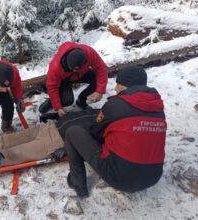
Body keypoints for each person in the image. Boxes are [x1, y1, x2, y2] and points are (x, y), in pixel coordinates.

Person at [65, 65, 167, 197]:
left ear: (126, 85)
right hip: (153, 177)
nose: (115, 88)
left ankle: (77, 182)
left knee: (72, 132)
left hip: (121, 178)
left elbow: (95, 133)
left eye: (118, 83)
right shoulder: (158, 107)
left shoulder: (116, 105)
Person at [0, 109, 99, 171]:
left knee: (11, 154)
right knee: (5, 140)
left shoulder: (115, 128)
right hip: (49, 127)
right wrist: (53, 116)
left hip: (57, 142)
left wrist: (68, 150)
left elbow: (97, 146)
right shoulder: (106, 109)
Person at [39, 41, 108, 116]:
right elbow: (52, 87)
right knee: (67, 100)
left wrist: (99, 91)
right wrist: (58, 107)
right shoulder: (55, 67)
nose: (74, 70)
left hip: (81, 73)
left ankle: (81, 101)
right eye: (72, 68)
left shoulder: (89, 53)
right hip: (64, 79)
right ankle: (50, 103)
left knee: (97, 80)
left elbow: (102, 68)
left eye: (76, 68)